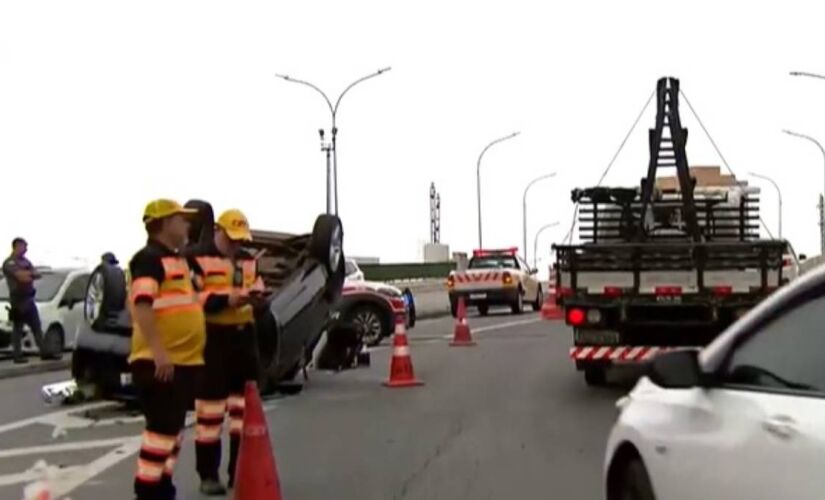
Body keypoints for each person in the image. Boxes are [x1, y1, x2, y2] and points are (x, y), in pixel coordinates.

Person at [128, 199, 206, 500]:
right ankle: (148, 493)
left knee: (172, 433)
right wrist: (160, 352)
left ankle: (163, 490)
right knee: (160, 433)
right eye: (180, 220)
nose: (187, 226)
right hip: (159, 362)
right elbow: (142, 305)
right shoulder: (148, 259)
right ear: (162, 224)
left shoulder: (179, 260)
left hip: (184, 361)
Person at [189, 208, 265, 495]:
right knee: (209, 413)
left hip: (244, 338)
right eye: (232, 239)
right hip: (213, 338)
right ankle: (208, 475)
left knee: (243, 412)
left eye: (240, 240)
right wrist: (227, 299)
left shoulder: (247, 260)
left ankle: (239, 471)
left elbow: (258, 288)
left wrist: (256, 300)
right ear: (218, 231)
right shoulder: (196, 258)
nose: (236, 245)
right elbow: (193, 296)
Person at [2, 237, 53, 363]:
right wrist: (28, 274)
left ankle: (44, 351)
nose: (26, 249)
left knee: (36, 326)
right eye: (24, 246)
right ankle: (17, 355)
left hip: (29, 298)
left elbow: (37, 274)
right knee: (18, 329)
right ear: (17, 246)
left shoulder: (25, 261)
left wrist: (27, 274)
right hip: (18, 300)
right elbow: (22, 278)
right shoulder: (9, 263)